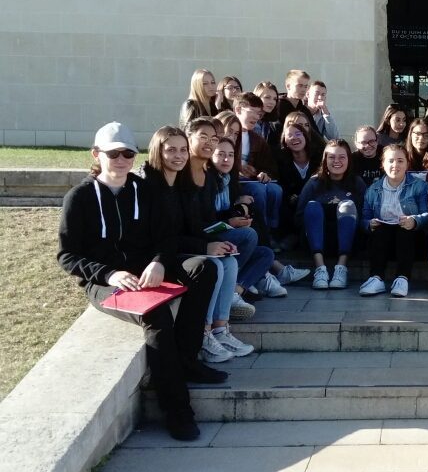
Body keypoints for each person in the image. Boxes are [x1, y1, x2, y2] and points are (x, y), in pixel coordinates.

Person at [58, 122, 223, 441]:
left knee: (204, 269)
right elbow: (67, 257)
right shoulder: (79, 198)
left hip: (146, 268)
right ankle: (177, 411)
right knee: (156, 314)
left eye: (128, 153)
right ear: (96, 154)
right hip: (105, 280)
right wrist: (110, 274)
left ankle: (187, 359)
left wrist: (160, 261)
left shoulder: (143, 190)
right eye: (113, 153)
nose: (121, 159)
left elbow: (165, 237)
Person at [142, 126, 255, 364]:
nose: (179, 155)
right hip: (157, 257)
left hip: (179, 247)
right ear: (157, 151)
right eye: (171, 150)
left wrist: (215, 242)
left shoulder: (181, 182)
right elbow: (163, 236)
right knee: (213, 266)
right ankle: (202, 334)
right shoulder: (150, 186)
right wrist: (204, 248)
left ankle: (219, 330)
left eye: (182, 150)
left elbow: (191, 226)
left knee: (230, 261)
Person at [187, 121, 279, 302]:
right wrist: (230, 222)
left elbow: (227, 209)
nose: (226, 159)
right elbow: (206, 218)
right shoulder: (208, 179)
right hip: (205, 235)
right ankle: (234, 290)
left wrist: (240, 210)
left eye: (230, 155)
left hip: (221, 229)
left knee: (266, 254)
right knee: (248, 235)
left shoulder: (228, 178)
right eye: (220, 154)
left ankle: (236, 288)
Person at [359, 144, 428, 297]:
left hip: (411, 241)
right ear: (383, 164)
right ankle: (376, 278)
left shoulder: (420, 186)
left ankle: (402, 279)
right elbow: (364, 218)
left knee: (404, 230)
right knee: (380, 231)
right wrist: (369, 224)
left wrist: (415, 220)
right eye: (390, 161)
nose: (395, 165)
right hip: (383, 242)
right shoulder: (373, 189)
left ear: (407, 164)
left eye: (400, 161)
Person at [297, 140, 366, 289]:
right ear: (325, 159)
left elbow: (364, 213)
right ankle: (320, 269)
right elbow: (300, 215)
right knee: (312, 206)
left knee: (347, 205)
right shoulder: (314, 183)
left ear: (348, 159)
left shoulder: (357, 182)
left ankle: (341, 268)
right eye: (331, 157)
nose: (337, 161)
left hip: (347, 240)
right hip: (317, 240)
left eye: (342, 157)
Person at [233, 93, 284, 244]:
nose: (257, 116)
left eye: (259, 113)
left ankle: (271, 229)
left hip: (251, 180)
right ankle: (262, 235)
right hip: (236, 183)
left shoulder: (257, 139)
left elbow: (269, 166)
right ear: (238, 110)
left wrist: (264, 174)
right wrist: (238, 167)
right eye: (252, 111)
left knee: (276, 190)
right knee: (259, 191)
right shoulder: (227, 133)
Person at [276, 122, 319, 248]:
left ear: (305, 136)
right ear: (285, 141)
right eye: (289, 135)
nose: (294, 138)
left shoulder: (318, 159)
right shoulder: (282, 162)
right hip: (290, 203)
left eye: (298, 134)